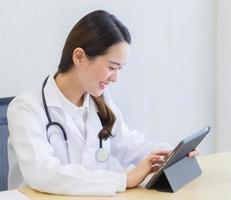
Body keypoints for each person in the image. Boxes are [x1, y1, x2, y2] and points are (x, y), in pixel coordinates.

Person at [7, 10, 198, 196]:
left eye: (120, 69)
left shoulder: (100, 102)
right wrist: (124, 180)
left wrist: (172, 154)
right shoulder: (27, 108)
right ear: (79, 57)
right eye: (111, 67)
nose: (115, 78)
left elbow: (126, 143)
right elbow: (42, 173)